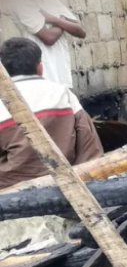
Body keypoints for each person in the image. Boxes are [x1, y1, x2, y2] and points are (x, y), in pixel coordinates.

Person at [0, 37, 103, 189]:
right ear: (40, 67)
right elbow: (89, 148)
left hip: (11, 191)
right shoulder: (62, 94)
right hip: (65, 186)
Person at [6, 0, 86, 89]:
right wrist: (63, 21)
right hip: (40, 75)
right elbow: (48, 38)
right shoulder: (19, 0)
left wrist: (54, 19)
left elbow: (80, 31)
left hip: (61, 73)